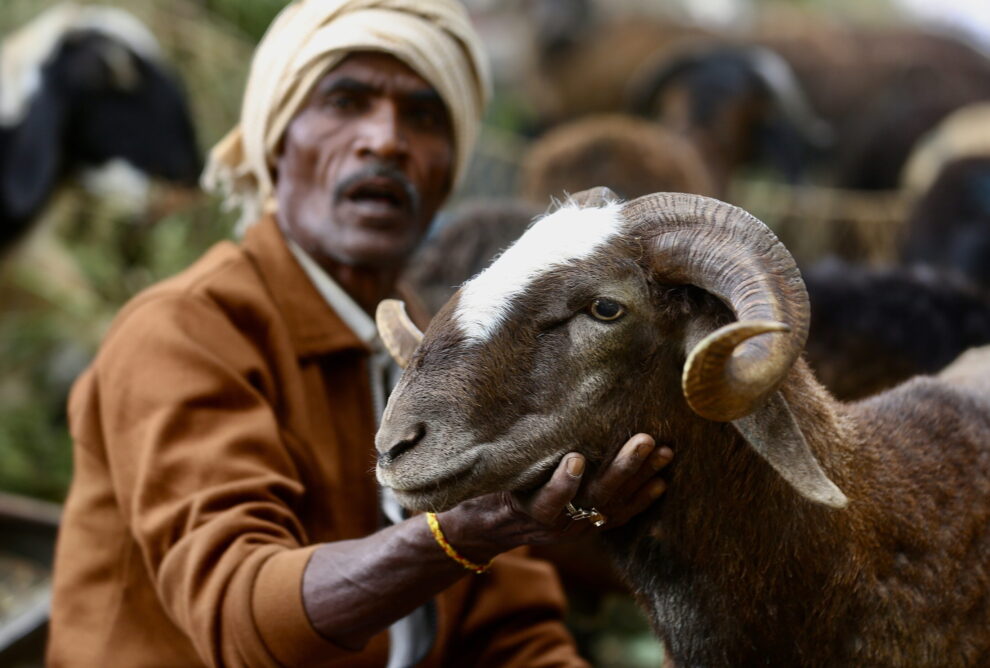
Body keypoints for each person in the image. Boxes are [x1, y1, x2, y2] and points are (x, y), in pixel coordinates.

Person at [47, 1, 673, 666]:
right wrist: (468, 532)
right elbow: (241, 618)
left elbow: (511, 633)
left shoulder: (448, 350)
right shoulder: (182, 333)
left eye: (424, 116)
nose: (385, 140)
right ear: (278, 140)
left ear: (448, 169)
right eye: (346, 101)